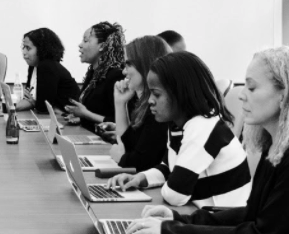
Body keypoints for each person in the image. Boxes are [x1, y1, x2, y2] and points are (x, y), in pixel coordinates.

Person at [125, 46, 289, 234]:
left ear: (285, 94)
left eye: (252, 88)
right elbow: (253, 215)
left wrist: (172, 231)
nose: (242, 95)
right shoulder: (279, 144)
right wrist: (178, 219)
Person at [106, 51, 251, 208]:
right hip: (200, 215)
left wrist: (172, 184)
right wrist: (140, 178)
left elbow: (175, 195)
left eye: (156, 94)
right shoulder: (179, 125)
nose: (150, 101)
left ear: (181, 94)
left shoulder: (202, 127)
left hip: (221, 220)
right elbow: (167, 167)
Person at [102, 35, 172, 170]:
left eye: (128, 65)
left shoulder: (161, 106)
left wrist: (121, 158)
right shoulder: (144, 102)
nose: (123, 71)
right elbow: (126, 144)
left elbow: (140, 163)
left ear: (145, 64)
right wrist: (120, 103)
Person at [64, 21, 126, 131]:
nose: (80, 45)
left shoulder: (115, 76)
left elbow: (120, 121)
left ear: (102, 46)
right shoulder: (94, 73)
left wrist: (86, 115)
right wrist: (81, 117)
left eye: (86, 40)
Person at [14, 27, 81, 112]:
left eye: (28, 48)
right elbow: (29, 99)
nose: (23, 52)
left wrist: (33, 103)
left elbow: (43, 107)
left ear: (42, 49)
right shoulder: (33, 66)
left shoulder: (47, 66)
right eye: (23, 47)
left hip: (66, 118)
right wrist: (10, 106)